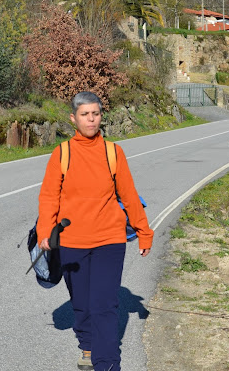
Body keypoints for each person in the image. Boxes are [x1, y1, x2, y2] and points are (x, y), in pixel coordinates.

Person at [37, 91, 153, 371]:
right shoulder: (62, 153)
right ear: (73, 118)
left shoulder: (113, 152)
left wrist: (144, 231)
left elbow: (129, 195)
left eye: (95, 114)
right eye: (85, 114)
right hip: (72, 242)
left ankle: (107, 363)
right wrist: (44, 231)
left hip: (109, 240)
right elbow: (49, 196)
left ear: (101, 116)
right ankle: (88, 345)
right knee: (81, 303)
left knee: (104, 305)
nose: (91, 119)